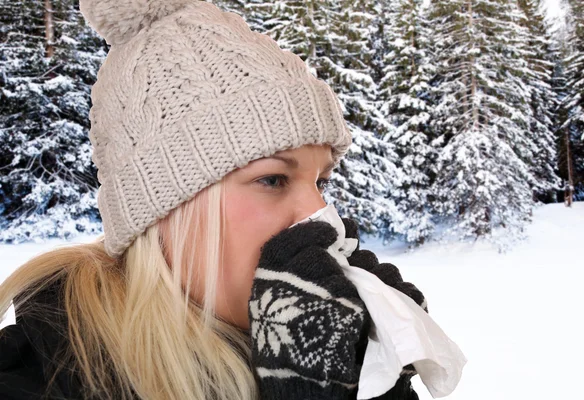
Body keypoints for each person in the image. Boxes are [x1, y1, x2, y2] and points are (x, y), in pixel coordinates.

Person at [0, 1, 428, 399]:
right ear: (164, 208)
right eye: (274, 179)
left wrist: (372, 380)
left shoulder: (318, 350)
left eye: (322, 183)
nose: (324, 217)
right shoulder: (32, 380)